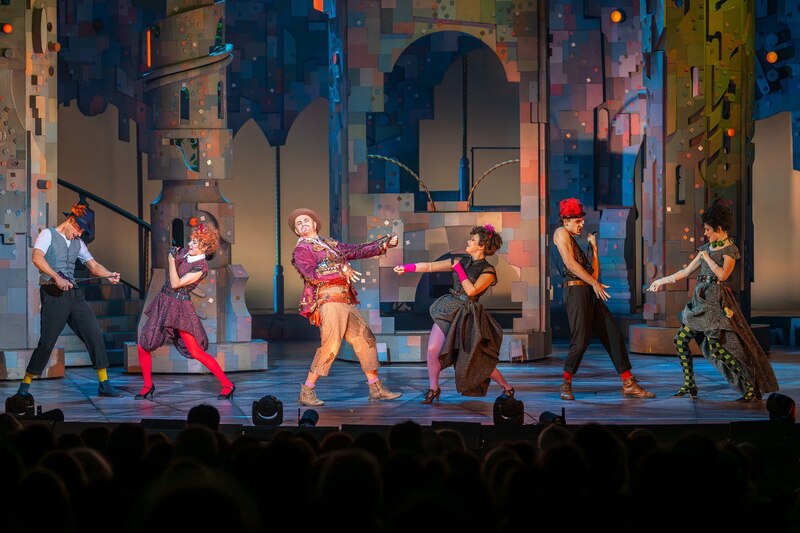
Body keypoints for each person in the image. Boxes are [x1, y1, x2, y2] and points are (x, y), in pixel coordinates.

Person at [648, 200, 778, 401]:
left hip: (714, 302)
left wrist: (707, 258)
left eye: (708, 229)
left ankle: (749, 387)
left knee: (717, 348)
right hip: (699, 300)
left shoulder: (729, 249)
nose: (705, 233)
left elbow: (723, 275)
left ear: (718, 228)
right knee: (680, 340)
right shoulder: (706, 248)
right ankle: (689, 384)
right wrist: (661, 281)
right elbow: (686, 272)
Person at [289, 207, 402, 406]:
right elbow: (311, 274)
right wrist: (339, 268)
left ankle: (375, 387)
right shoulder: (302, 249)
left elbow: (356, 250)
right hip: (329, 301)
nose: (303, 224)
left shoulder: (329, 244)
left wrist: (383, 244)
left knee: (365, 339)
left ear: (315, 223)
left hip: (345, 300)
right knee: (331, 345)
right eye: (299, 224)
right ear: (297, 231)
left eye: (306, 220)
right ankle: (307, 390)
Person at [394, 224, 514, 402]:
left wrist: (459, 270)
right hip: (449, 308)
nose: (468, 241)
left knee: (475, 358)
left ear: (481, 246)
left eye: (472, 240)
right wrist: (407, 268)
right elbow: (430, 266)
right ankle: (433, 389)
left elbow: (472, 291)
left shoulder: (488, 270)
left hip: (467, 314)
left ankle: (507, 387)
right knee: (432, 349)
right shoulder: (460, 261)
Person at [13, 203, 123, 398]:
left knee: (94, 335)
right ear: (71, 220)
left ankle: (104, 384)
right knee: (47, 343)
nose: (79, 234)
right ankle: (24, 386)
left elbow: (93, 265)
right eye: (79, 229)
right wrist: (56, 277)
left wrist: (109, 274)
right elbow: (37, 258)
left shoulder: (78, 243)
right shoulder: (48, 235)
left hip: (74, 295)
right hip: (53, 294)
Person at [553, 198, 655, 400]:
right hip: (575, 292)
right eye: (578, 221)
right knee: (580, 340)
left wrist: (595, 249)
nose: (582, 224)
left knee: (613, 335)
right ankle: (566, 383)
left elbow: (595, 274)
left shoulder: (577, 242)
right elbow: (570, 264)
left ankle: (628, 382)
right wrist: (594, 283)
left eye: (582, 220)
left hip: (589, 291)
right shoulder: (561, 233)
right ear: (566, 221)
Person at [135, 223, 235, 400]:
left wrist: (171, 261)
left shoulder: (200, 267)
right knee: (143, 343)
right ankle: (147, 385)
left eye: (194, 242)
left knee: (196, 352)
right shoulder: (185, 254)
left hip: (180, 308)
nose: (189, 244)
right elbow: (174, 252)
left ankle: (227, 384)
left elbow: (176, 283)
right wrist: (173, 253)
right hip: (164, 302)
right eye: (191, 240)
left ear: (204, 247)